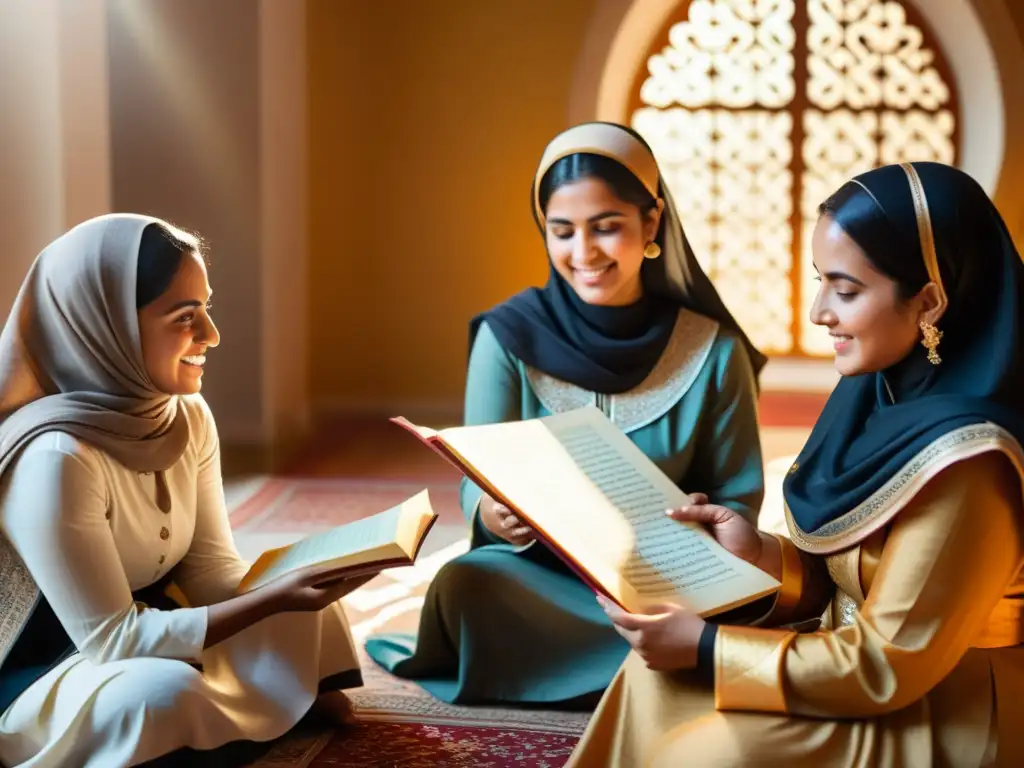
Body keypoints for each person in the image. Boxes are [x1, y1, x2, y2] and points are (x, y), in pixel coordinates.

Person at [567, 161, 1024, 767]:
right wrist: (757, 553)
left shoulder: (970, 463)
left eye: (846, 289)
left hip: (943, 707)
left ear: (930, 302)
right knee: (655, 679)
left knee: (707, 754)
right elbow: (849, 573)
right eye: (821, 281)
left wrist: (708, 648)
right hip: (850, 666)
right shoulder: (880, 394)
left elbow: (888, 665)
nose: (818, 312)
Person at [365, 122, 767, 708]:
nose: (585, 254)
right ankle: (655, 665)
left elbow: (740, 490)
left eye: (607, 227)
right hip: (539, 580)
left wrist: (718, 519)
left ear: (651, 222)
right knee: (465, 584)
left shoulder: (714, 349)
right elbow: (476, 480)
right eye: (563, 232)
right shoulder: (507, 337)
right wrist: (494, 514)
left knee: (757, 600)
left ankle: (649, 654)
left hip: (667, 581)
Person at [0, 215, 367, 768]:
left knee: (310, 615)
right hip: (52, 665)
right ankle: (266, 708)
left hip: (147, 626)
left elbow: (210, 571)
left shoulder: (186, 415)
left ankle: (240, 718)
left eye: (207, 309)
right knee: (157, 698)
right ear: (108, 326)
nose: (211, 336)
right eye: (184, 317)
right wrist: (273, 597)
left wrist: (298, 575)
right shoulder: (55, 457)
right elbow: (113, 641)